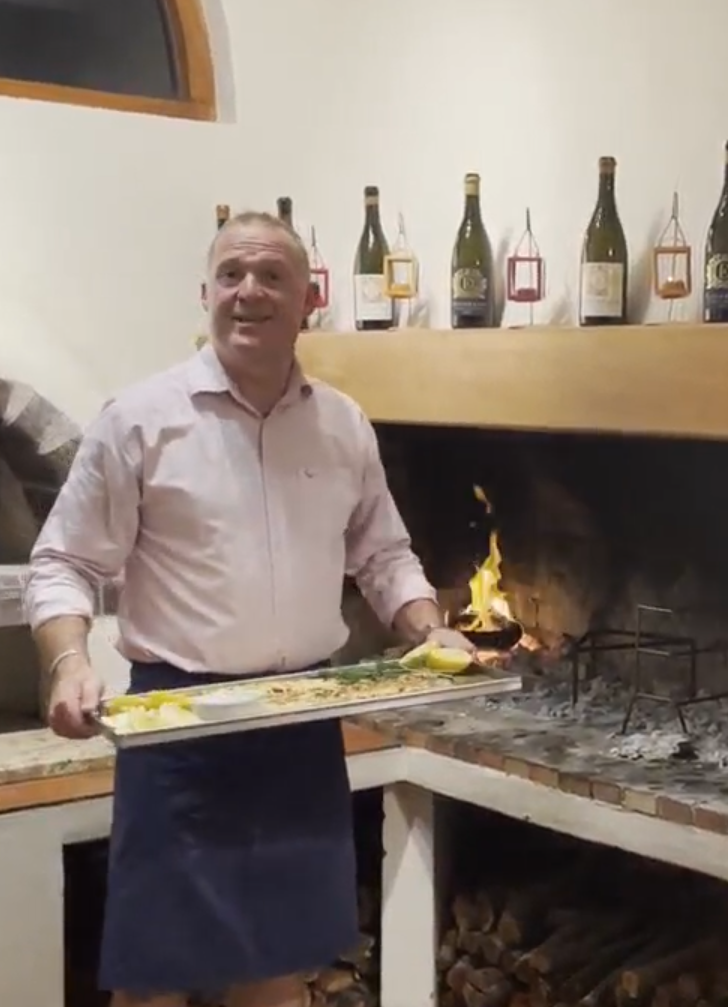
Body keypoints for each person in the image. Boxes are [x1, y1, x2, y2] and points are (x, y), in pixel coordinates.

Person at [26, 210, 472, 1007]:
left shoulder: (343, 424)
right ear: (206, 294)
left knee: (279, 967)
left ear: (309, 300)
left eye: (272, 276)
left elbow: (383, 554)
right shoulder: (140, 420)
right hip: (179, 727)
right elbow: (64, 560)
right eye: (231, 274)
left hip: (300, 722)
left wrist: (429, 627)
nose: (249, 291)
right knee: (155, 977)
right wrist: (67, 662)